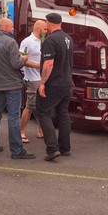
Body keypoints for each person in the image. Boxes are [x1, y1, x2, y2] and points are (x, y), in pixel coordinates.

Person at [0, 18, 34, 159]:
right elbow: (16, 64)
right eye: (12, 27)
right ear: (6, 27)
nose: (13, 29)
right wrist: (24, 59)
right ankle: (17, 150)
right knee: (13, 116)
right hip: (12, 85)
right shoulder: (11, 42)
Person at [37, 13, 73, 161]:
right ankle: (65, 148)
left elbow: (48, 63)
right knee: (63, 114)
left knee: (43, 112)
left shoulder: (51, 40)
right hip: (66, 82)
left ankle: (52, 148)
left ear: (49, 23)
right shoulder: (68, 38)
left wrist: (42, 82)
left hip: (54, 83)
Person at [19, 20, 47, 143]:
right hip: (32, 79)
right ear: (38, 29)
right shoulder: (27, 42)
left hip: (41, 79)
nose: (46, 31)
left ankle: (41, 130)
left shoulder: (43, 41)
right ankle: (21, 131)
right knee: (30, 106)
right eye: (45, 29)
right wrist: (37, 66)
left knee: (41, 106)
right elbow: (21, 59)